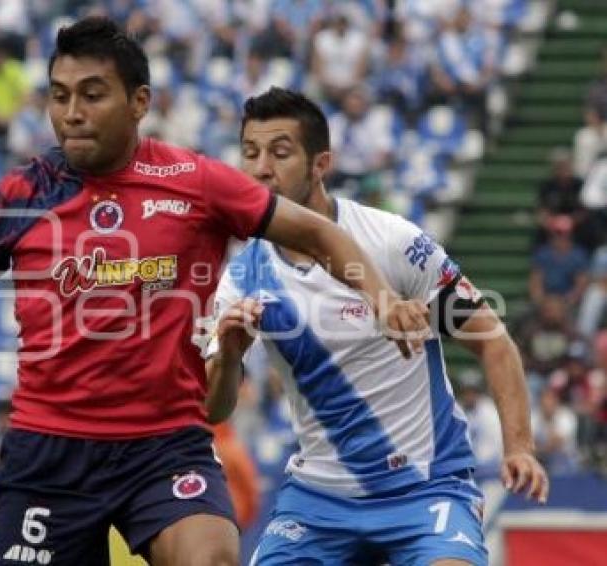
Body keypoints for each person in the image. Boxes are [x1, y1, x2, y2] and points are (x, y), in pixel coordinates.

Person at [0, 18, 429, 566]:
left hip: (166, 446)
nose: (71, 112)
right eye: (59, 96)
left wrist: (381, 296)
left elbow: (320, 233)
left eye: (91, 94)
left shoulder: (195, 183)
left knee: (211, 558)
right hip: (48, 455)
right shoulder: (21, 197)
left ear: (139, 102)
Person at [206, 87, 549, 565]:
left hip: (425, 487)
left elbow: (492, 340)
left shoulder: (391, 241)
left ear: (320, 164)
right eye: (250, 152)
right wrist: (228, 353)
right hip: (317, 499)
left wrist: (520, 448)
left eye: (279, 153)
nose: (261, 167)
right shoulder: (241, 277)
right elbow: (215, 408)